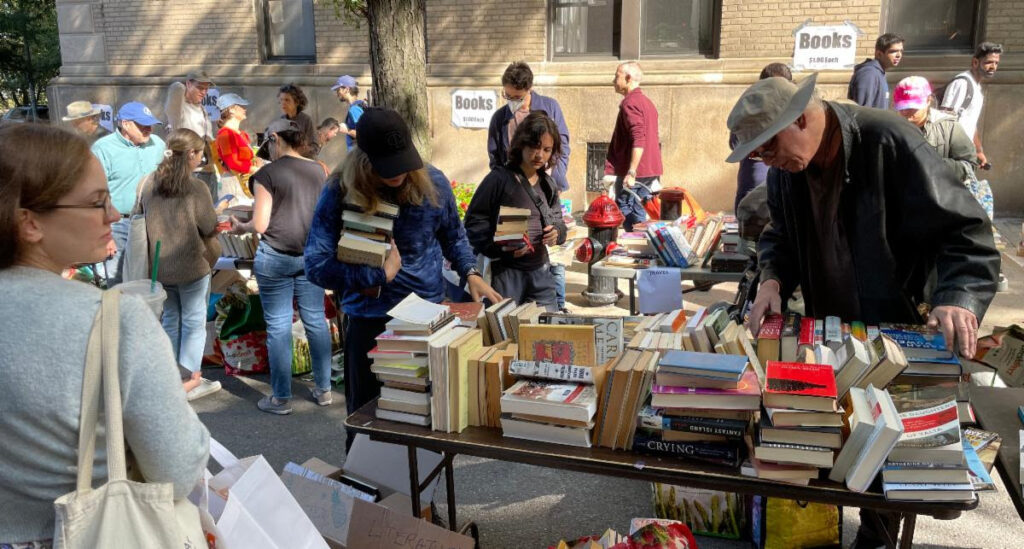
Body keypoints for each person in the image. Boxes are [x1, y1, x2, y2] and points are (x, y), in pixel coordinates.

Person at [726, 74, 1000, 548]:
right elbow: (780, 237)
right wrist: (771, 277)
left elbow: (967, 232)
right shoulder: (786, 171)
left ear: (804, 118)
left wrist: (958, 297)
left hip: (896, 321)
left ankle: (877, 535)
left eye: (767, 149)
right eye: (758, 156)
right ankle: (843, 525)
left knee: (892, 451)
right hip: (833, 323)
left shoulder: (889, 140)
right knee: (842, 435)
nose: (766, 163)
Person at [0, 124, 209, 546]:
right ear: (30, 223)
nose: (113, 215)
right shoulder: (113, 319)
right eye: (97, 203)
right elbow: (178, 470)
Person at [305, 107, 502, 449]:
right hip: (370, 324)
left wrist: (470, 271)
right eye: (387, 165)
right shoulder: (338, 190)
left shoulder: (433, 181)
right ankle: (369, 500)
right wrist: (378, 273)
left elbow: (453, 236)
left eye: (402, 161)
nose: (398, 173)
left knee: (427, 426)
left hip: (427, 321)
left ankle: (421, 502)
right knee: (368, 427)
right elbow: (315, 265)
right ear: (364, 159)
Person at [230, 119, 333, 415]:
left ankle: (281, 398)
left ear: (275, 138)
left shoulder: (267, 173)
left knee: (278, 326)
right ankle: (324, 390)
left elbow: (260, 224)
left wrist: (241, 227)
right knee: (315, 320)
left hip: (275, 255)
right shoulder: (319, 170)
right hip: (310, 253)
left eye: (269, 145)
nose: (269, 151)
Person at [136, 128, 223, 401]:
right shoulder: (196, 187)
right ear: (192, 154)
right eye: (200, 153)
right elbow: (208, 226)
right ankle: (190, 377)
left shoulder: (148, 183)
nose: (202, 159)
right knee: (194, 322)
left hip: (159, 265)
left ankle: (171, 375)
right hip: (192, 265)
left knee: (171, 319)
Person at [487, 61, 572, 309]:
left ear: (529, 90)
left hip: (545, 189)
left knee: (551, 253)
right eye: (507, 95)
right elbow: (494, 157)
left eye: (517, 96)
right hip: (512, 194)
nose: (511, 100)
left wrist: (551, 178)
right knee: (516, 248)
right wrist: (505, 181)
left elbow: (563, 147)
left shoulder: (550, 108)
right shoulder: (499, 118)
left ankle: (558, 301)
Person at [467, 112, 567, 307]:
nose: (540, 155)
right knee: (504, 331)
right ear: (521, 144)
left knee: (545, 331)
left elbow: (558, 221)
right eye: (534, 147)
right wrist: (499, 246)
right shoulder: (499, 179)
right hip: (505, 276)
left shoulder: (548, 183)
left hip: (541, 273)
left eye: (547, 150)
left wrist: (557, 233)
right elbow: (474, 222)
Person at [90, 101, 166, 285]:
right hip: (118, 226)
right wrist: (104, 235)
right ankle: (118, 314)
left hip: (153, 221)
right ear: (125, 124)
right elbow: (94, 195)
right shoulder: (102, 149)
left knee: (152, 282)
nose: (148, 129)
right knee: (119, 283)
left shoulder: (158, 144)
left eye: (150, 124)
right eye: (142, 125)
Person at [606, 61, 663, 232]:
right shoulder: (647, 102)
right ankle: (644, 242)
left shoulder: (630, 103)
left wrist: (631, 171)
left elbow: (639, 137)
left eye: (617, 76)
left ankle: (640, 240)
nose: (613, 81)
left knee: (625, 208)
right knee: (641, 209)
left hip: (637, 171)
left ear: (628, 78)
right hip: (650, 169)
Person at [730, 62, 792, 213]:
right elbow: (735, 143)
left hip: (783, 188)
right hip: (752, 185)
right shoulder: (749, 107)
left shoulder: (795, 111)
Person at [892, 77, 979, 184]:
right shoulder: (890, 126)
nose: (905, 112)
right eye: (901, 107)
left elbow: (969, 167)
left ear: (928, 101)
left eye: (912, 107)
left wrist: (932, 164)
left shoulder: (949, 127)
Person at [939, 42, 1002, 169]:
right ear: (975, 62)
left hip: (964, 153)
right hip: (953, 155)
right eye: (988, 62)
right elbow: (944, 120)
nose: (993, 67)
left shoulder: (976, 86)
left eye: (996, 63)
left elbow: (970, 123)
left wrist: (978, 150)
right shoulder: (962, 83)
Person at [164, 71, 218, 201]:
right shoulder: (178, 108)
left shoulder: (202, 110)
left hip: (207, 170)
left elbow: (209, 140)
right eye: (200, 87)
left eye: (206, 88)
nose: (204, 92)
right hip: (188, 171)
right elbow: (176, 88)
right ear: (188, 84)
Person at [215, 92, 262, 204]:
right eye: (241, 106)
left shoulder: (241, 134)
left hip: (246, 182)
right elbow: (232, 163)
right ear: (231, 110)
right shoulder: (225, 134)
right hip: (233, 183)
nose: (244, 109)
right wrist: (255, 169)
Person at [847, 33, 904, 109]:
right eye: (893, 51)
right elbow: (862, 111)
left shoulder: (879, 73)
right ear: (879, 54)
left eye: (901, 51)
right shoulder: (869, 73)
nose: (899, 55)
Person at [278, 82, 317, 159]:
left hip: (303, 162)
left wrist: (303, 149)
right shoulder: (281, 121)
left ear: (297, 102)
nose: (283, 103)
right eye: (281, 100)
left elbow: (314, 147)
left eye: (287, 100)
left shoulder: (306, 120)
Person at [332, 75, 366, 150]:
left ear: (346, 89)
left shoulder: (354, 109)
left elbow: (363, 135)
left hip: (357, 156)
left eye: (338, 90)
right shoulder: (359, 105)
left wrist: (347, 130)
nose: (337, 94)